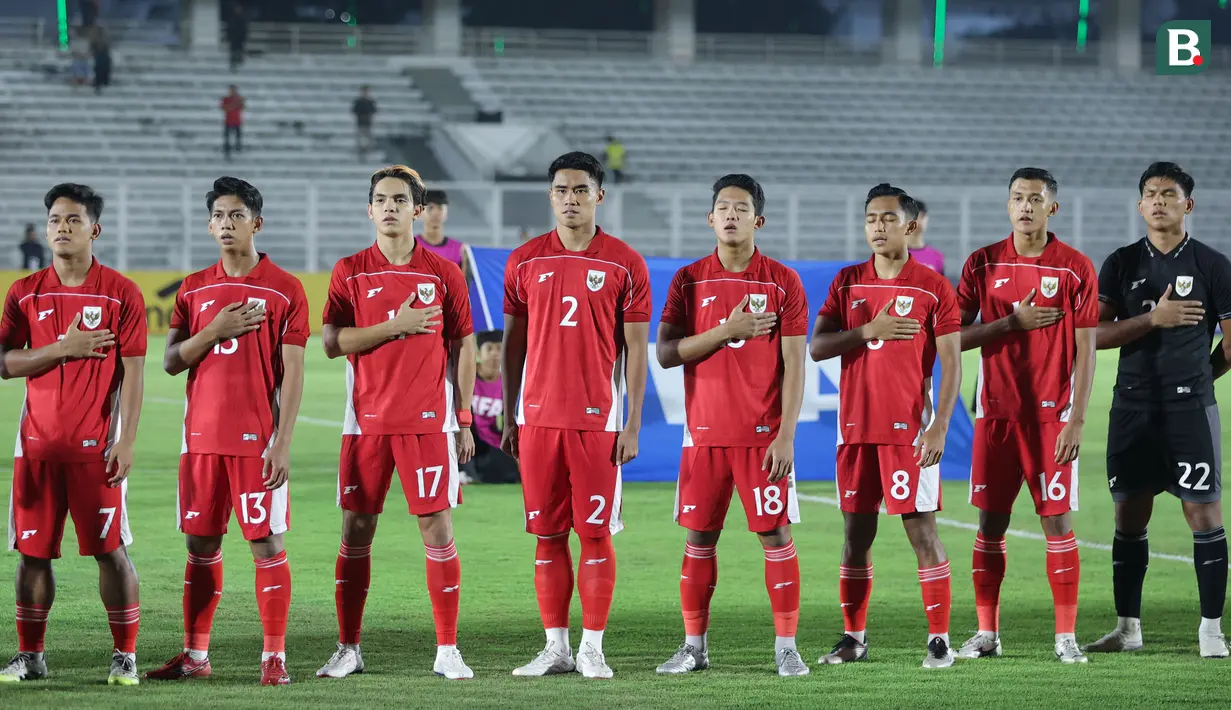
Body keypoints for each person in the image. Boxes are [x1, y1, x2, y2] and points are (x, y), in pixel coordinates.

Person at [143, 178, 308, 685]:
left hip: (255, 443)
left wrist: (281, 441)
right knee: (200, 546)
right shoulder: (193, 288)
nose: (226, 224)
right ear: (209, 224)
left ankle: (273, 658)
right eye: (218, 215)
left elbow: (294, 372)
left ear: (256, 222)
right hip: (200, 442)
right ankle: (195, 655)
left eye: (237, 215)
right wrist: (212, 330)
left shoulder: (285, 288)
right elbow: (171, 361)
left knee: (266, 545)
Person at [316, 165, 477, 681]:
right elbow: (331, 343)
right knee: (356, 529)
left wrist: (465, 418)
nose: (389, 207)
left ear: (418, 209)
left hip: (429, 425)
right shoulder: (349, 271)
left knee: (437, 527)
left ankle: (448, 648)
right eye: (380, 199)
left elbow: (464, 346)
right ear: (369, 210)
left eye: (399, 199)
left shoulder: (444, 274)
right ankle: (348, 647)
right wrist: (394, 327)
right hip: (364, 424)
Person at [501, 151, 650, 679]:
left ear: (599, 196)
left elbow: (636, 349)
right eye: (562, 190)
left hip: (598, 422)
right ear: (550, 196)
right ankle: (556, 646)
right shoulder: (523, 260)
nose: (571, 199)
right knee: (546, 534)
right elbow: (512, 346)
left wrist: (631, 423)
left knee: (594, 533)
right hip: (537, 419)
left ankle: (593, 646)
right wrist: (511, 415)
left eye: (581, 190)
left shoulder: (625, 262)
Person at [655, 174, 809, 677]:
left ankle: (787, 647)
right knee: (699, 539)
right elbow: (665, 355)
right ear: (710, 218)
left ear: (758, 220)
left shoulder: (783, 281)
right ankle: (694, 647)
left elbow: (794, 363)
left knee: (775, 537)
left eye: (741, 208)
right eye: (723, 207)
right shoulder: (687, 279)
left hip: (763, 439)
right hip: (703, 437)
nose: (731, 215)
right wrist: (727, 331)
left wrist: (786, 434)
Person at [810, 183, 962, 669]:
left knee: (922, 532)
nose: (878, 227)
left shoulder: (933, 286)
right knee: (856, 536)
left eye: (888, 219)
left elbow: (953, 362)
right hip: (854, 430)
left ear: (910, 226)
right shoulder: (847, 281)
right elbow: (818, 346)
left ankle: (939, 639)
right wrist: (866, 332)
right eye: (871, 218)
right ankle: (854, 638)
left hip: (909, 432)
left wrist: (939, 425)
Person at [0, 184, 146, 685]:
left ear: (94, 230)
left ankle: (125, 654)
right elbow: (4, 362)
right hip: (36, 447)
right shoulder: (24, 291)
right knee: (33, 553)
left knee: (110, 550)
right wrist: (63, 348)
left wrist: (126, 441)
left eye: (73, 220)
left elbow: (133, 372)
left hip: (97, 448)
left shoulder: (121, 291)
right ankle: (30, 656)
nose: (61, 228)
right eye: (55, 220)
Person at [1086, 162, 1231, 659]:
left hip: (1191, 412)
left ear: (1187, 204)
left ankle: (1211, 632)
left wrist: (1198, 381)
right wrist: (1153, 319)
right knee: (1129, 516)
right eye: (1150, 193)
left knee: (1203, 513)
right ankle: (1128, 629)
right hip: (1130, 408)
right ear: (1140, 205)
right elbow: (1094, 336)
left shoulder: (1214, 266)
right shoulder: (1121, 263)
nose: (1159, 201)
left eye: (1169, 193)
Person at [954, 167, 1097, 664]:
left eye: (1035, 199)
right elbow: (951, 338)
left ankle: (1065, 636)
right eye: (1017, 198)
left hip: (1051, 420)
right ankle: (987, 633)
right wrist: (1010, 323)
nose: (1025, 207)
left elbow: (1086, 349)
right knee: (989, 526)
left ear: (1051, 208)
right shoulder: (981, 263)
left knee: (1057, 524)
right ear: (1007, 204)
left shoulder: (1074, 268)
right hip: (994, 417)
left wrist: (1077, 419)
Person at [470, 330, 519, 483]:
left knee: (509, 476)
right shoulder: (467, 375)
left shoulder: (508, 381)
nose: (494, 354)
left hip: (493, 442)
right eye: (489, 348)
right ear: (478, 352)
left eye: (499, 348)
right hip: (468, 437)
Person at [415, 190, 469, 279]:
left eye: (440, 208)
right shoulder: (409, 246)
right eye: (430, 208)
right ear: (419, 213)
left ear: (446, 213)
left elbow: (463, 287)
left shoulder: (459, 250)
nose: (435, 213)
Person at [909, 200, 945, 276]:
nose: (919, 220)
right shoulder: (894, 256)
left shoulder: (936, 257)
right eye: (915, 216)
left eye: (922, 216)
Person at [352, 85, 378, 161]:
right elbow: (354, 111)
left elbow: (374, 112)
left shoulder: (370, 102)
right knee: (359, 140)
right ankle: (360, 153)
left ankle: (368, 153)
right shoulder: (358, 102)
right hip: (360, 124)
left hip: (368, 124)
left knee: (369, 140)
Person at [221, 86, 245, 161]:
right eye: (231, 90)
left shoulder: (239, 98)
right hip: (228, 120)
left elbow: (242, 107)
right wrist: (233, 105)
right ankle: (227, 149)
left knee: (238, 135)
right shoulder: (226, 99)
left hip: (237, 120)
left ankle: (238, 147)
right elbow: (224, 108)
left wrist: (233, 105)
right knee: (227, 136)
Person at [227, 3, 249, 72]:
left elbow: (244, 30)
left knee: (239, 52)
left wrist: (244, 37)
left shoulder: (242, 19)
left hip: (239, 39)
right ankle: (233, 65)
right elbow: (229, 29)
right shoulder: (232, 19)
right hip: (234, 40)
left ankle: (239, 64)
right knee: (234, 53)